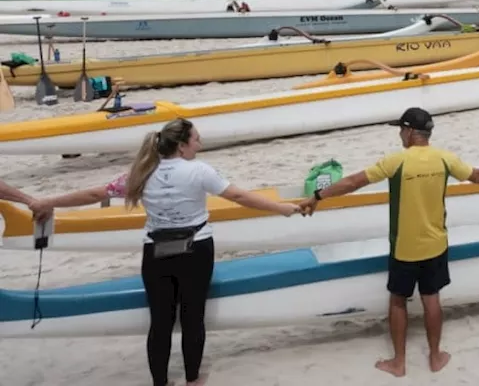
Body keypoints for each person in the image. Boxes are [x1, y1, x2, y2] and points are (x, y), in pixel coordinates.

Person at [31, 119, 298, 386]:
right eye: (196, 139)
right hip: (196, 250)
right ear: (182, 146)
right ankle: (193, 381)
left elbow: (93, 194)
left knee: (160, 322)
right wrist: (280, 208)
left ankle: (161, 382)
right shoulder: (199, 171)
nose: (199, 144)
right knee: (192, 318)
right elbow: (239, 197)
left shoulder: (142, 174)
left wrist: (47, 202)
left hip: (156, 253)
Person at [297, 108, 479, 376]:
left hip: (405, 248)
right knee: (432, 299)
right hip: (436, 244)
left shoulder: (397, 161)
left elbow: (354, 182)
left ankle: (399, 362)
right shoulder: (444, 159)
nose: (400, 134)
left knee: (398, 301)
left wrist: (318, 197)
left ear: (411, 132)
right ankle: (436, 357)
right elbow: (478, 175)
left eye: (401, 129)